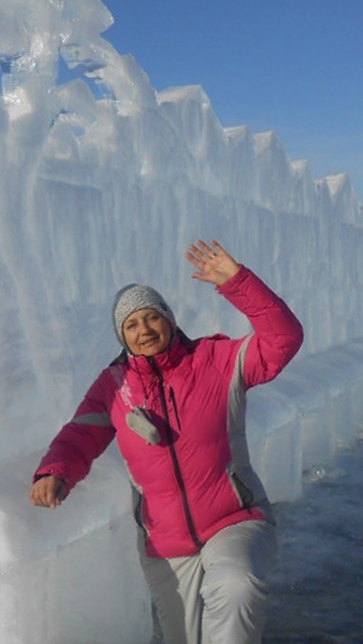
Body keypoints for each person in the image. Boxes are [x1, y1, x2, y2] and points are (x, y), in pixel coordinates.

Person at [29, 239, 304, 644]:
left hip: (234, 519)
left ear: (169, 320)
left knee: (236, 584)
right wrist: (55, 471)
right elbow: (81, 434)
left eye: (151, 317)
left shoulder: (216, 360)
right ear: (122, 336)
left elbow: (284, 340)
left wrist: (239, 283)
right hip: (166, 541)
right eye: (132, 324)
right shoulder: (113, 386)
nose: (144, 330)